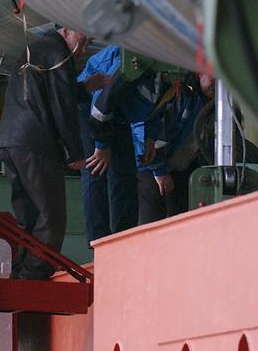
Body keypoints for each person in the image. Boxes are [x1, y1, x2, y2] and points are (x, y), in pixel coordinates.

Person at [0, 29, 86, 278]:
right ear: (67, 31)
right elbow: (61, 105)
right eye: (83, 40)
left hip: (9, 140)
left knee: (28, 213)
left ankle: (20, 269)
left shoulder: (34, 48)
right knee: (51, 214)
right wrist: (75, 151)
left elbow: (44, 92)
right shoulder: (58, 53)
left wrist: (84, 89)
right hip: (36, 142)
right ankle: (34, 274)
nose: (84, 50)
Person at [76, 42, 140, 245]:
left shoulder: (169, 69)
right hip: (91, 107)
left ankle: (123, 239)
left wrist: (149, 135)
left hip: (117, 110)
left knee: (125, 175)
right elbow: (100, 106)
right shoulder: (129, 64)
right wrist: (101, 145)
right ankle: (99, 241)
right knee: (96, 170)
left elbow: (152, 103)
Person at [134, 72, 214, 224]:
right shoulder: (180, 94)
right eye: (213, 77)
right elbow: (148, 129)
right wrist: (159, 170)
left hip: (185, 169)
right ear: (200, 74)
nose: (217, 84)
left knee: (180, 220)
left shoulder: (221, 107)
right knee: (152, 217)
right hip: (154, 166)